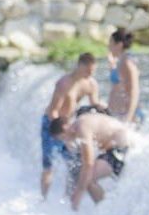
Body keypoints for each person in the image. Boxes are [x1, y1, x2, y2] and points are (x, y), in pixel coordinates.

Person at [39, 53, 103, 199]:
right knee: (49, 165)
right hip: (52, 124)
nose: (90, 74)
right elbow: (54, 111)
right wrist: (63, 135)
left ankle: (68, 199)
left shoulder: (91, 84)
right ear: (79, 65)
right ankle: (44, 199)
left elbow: (95, 105)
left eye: (92, 72)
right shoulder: (64, 83)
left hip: (68, 126)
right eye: (87, 71)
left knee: (74, 163)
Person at [48, 112, 130, 211]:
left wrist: (77, 197)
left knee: (89, 179)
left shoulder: (82, 129)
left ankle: (105, 213)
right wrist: (69, 193)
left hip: (121, 149)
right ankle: (105, 210)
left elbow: (88, 164)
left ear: (65, 128)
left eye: (62, 138)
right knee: (85, 178)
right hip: (115, 148)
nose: (65, 141)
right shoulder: (79, 124)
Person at [106, 28, 143, 125]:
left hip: (127, 115)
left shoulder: (127, 63)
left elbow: (134, 90)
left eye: (111, 43)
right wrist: (112, 66)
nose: (108, 46)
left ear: (119, 45)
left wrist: (128, 117)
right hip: (118, 114)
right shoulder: (121, 61)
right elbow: (119, 82)